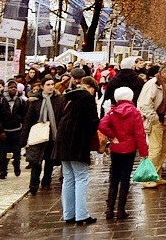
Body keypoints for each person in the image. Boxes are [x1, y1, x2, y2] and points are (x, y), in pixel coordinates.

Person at [53, 76, 100, 226]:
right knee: (81, 177)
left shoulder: (67, 97)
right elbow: (94, 121)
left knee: (68, 178)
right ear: (91, 88)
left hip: (62, 142)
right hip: (78, 142)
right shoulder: (86, 98)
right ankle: (81, 214)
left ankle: (68, 214)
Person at [98, 87, 149, 220]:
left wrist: (112, 136)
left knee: (114, 177)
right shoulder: (135, 112)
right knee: (125, 178)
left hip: (116, 148)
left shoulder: (112, 112)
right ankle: (121, 210)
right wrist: (144, 151)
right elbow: (139, 134)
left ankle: (109, 210)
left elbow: (102, 125)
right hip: (130, 148)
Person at [21, 76, 63, 195]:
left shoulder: (59, 100)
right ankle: (33, 185)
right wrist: (24, 138)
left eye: (52, 84)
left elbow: (61, 117)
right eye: (48, 85)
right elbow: (28, 120)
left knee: (49, 161)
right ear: (43, 86)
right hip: (38, 135)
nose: (50, 87)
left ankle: (46, 182)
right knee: (36, 161)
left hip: (52, 135)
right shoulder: (35, 101)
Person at [137, 62, 166, 188]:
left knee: (163, 150)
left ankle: (157, 175)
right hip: (157, 122)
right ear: (162, 72)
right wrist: (154, 119)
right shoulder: (153, 84)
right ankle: (148, 178)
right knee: (155, 150)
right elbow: (144, 104)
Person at [0, 79, 28, 179]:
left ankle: (17, 166)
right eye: (11, 87)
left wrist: (23, 129)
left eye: (15, 87)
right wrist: (1, 130)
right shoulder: (1, 100)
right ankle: (3, 171)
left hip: (16, 129)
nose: (13, 89)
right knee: (3, 153)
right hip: (4, 131)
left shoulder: (20, 100)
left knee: (17, 151)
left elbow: (24, 115)